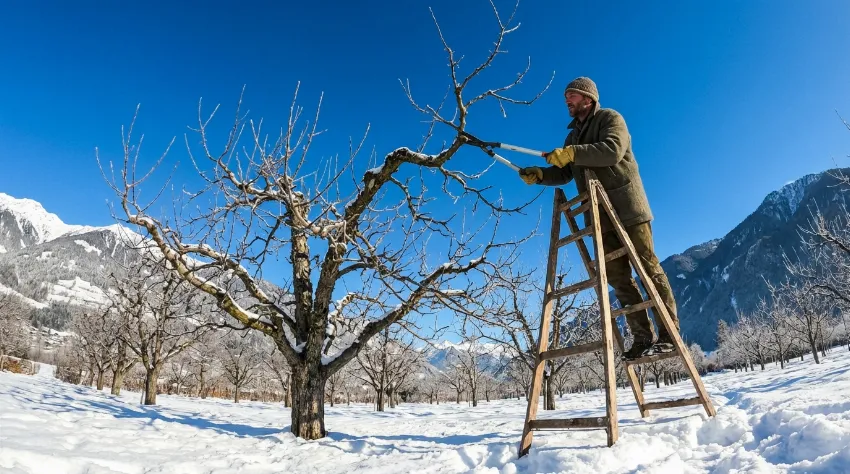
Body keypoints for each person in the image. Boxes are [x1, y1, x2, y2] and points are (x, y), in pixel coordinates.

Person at [518, 77, 678, 359]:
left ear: (587, 98)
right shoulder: (572, 137)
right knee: (618, 278)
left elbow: (611, 151)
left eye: (572, 95)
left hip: (628, 208)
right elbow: (567, 172)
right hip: (599, 215)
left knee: (647, 268)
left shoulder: (610, 118)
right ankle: (642, 338)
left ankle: (669, 335)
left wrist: (572, 153)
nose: (566, 100)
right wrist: (542, 175)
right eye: (566, 96)